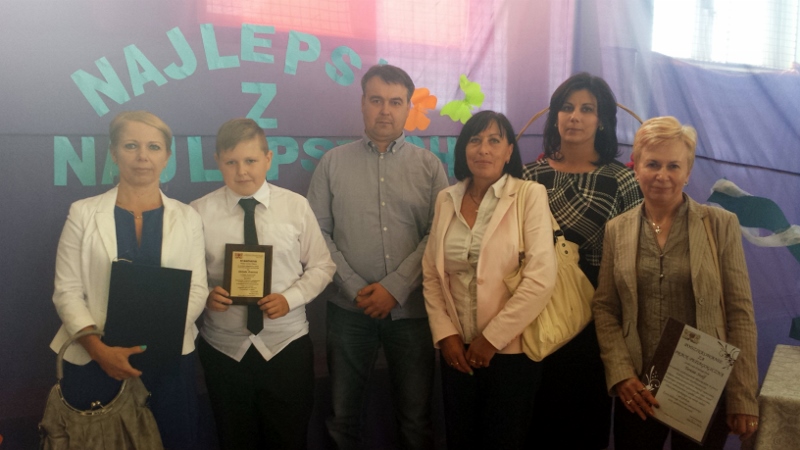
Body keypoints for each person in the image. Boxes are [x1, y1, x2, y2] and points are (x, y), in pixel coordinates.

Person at [593, 116, 759, 449]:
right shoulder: (617, 229)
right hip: (639, 389)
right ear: (636, 168)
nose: (662, 175)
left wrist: (742, 397)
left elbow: (740, 314)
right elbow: (605, 308)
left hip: (703, 388)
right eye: (652, 164)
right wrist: (621, 374)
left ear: (688, 172)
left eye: (673, 166)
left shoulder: (721, 225)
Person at [307, 64, 449, 450]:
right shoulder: (332, 163)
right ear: (362, 103)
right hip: (348, 312)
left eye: (395, 102)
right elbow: (316, 233)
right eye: (376, 100)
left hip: (412, 312)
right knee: (342, 418)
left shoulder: (429, 166)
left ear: (408, 108)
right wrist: (355, 288)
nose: (385, 110)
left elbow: (438, 235)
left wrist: (395, 288)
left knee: (416, 420)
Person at [50, 110, 207, 449]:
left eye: (153, 147)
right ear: (114, 152)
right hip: (95, 360)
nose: (142, 156)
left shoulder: (188, 217)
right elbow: (67, 292)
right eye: (131, 145)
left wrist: (161, 337)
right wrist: (99, 351)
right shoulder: (82, 212)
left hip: (169, 361)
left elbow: (196, 288)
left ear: (167, 156)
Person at [191, 118, 335, 450]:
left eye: (251, 160)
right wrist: (206, 296)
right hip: (224, 350)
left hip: (286, 346)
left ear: (268, 159)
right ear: (217, 162)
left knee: (289, 439)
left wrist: (290, 298)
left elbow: (322, 265)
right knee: (234, 440)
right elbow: (189, 278)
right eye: (231, 162)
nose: (242, 171)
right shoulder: (198, 212)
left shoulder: (295, 206)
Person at [521, 72, 643, 448]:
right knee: (533, 419)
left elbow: (634, 258)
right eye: (567, 107)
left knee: (585, 422)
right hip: (533, 312)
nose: (574, 116)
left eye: (587, 109)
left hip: (594, 318)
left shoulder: (622, 181)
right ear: (555, 116)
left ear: (602, 119)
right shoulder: (529, 177)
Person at [422, 111, 557, 448]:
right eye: (475, 140)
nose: (483, 149)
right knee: (460, 437)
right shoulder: (446, 199)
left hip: (511, 350)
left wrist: (491, 339)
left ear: (509, 151)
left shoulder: (529, 194)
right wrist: (445, 334)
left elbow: (540, 278)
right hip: (456, 349)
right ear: (463, 149)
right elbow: (432, 273)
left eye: (494, 141)